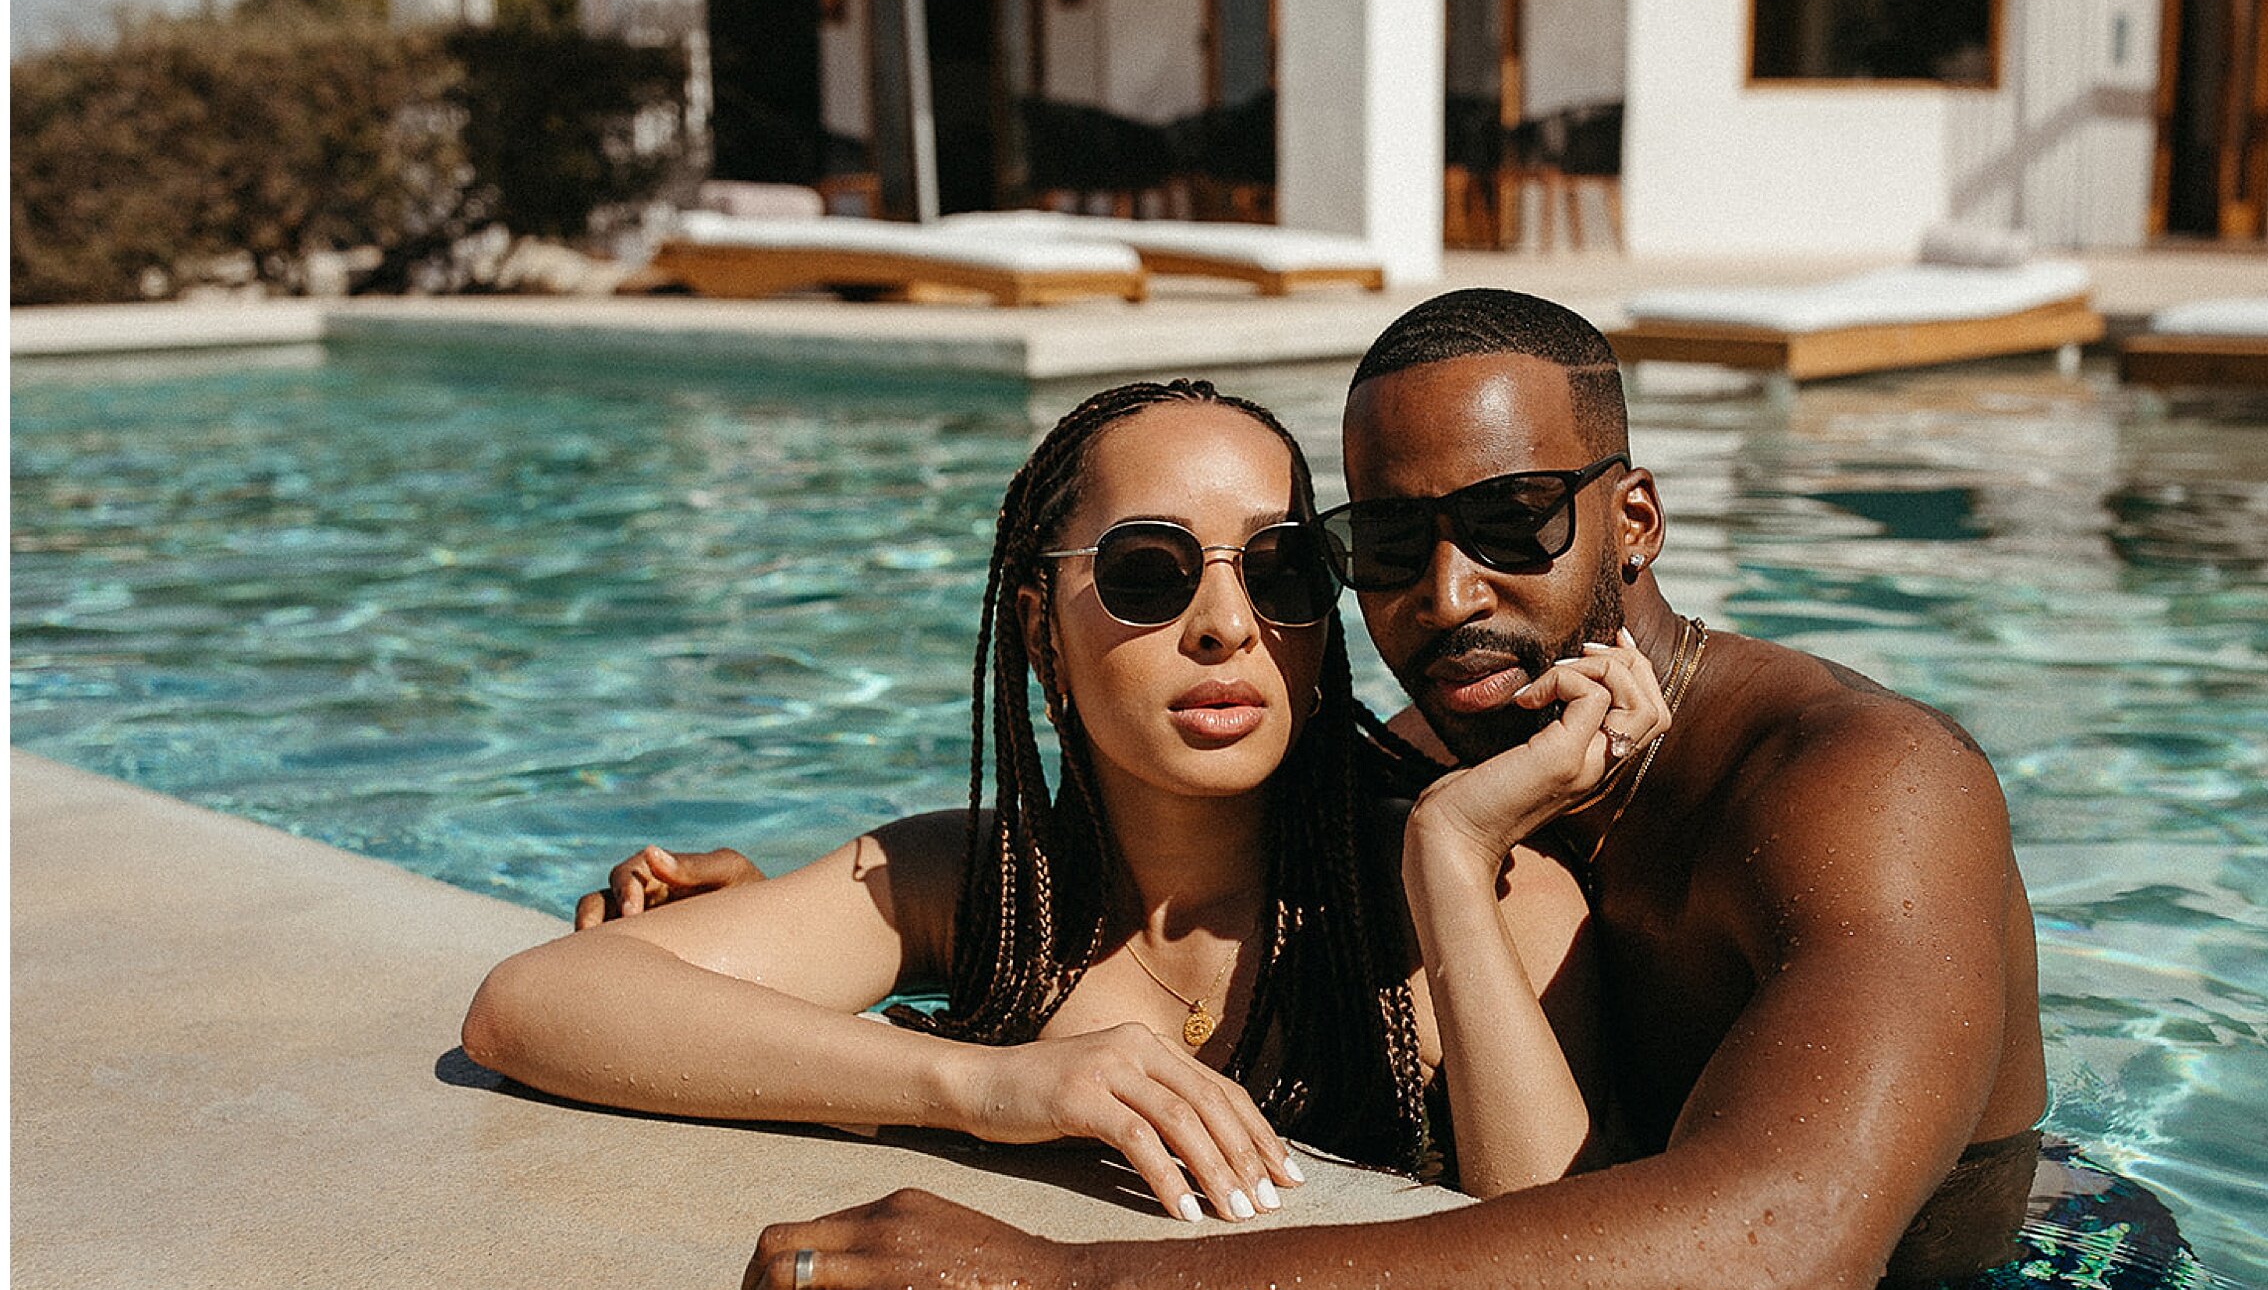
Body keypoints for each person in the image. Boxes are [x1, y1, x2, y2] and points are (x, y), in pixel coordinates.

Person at [712, 290, 2199, 1290]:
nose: (1447, 591)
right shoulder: (1465, 748)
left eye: (1511, 519)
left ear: (1636, 519)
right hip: (1657, 1236)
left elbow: (1776, 1268)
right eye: (1383, 543)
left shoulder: (1862, 786)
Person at [465, 377, 1669, 1227]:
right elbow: (534, 1004)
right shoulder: (982, 887)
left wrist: (1453, 850)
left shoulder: (1464, 895)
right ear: (1041, 627)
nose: (1226, 625)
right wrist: (992, 1086)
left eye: (1280, 567)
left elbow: (1563, 1244)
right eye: (1148, 571)